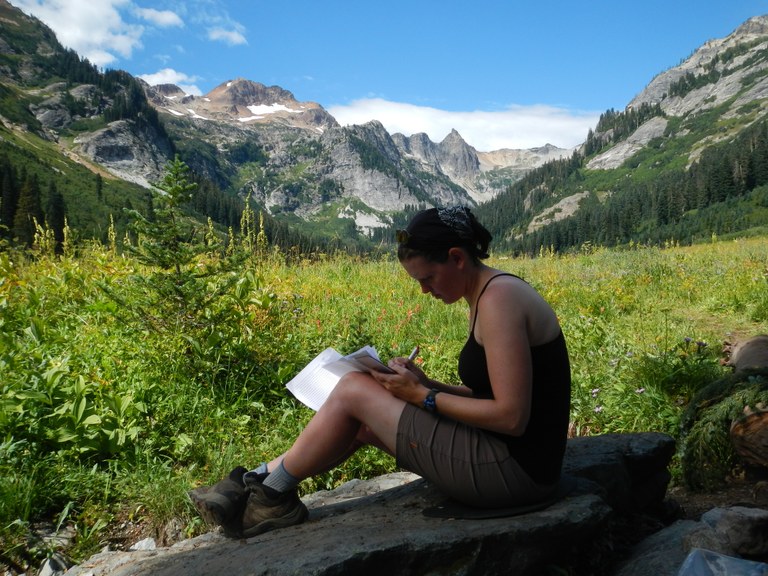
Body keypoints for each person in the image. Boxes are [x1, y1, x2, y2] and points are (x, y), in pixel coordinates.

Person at [189, 206, 571, 538]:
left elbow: (511, 416)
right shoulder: (488, 293)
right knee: (360, 416)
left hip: (516, 475)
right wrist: (425, 384)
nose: (424, 290)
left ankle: (265, 493)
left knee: (355, 390)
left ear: (456, 257)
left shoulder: (499, 300)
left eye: (427, 278)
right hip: (506, 459)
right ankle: (260, 484)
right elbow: (492, 394)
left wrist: (422, 396)